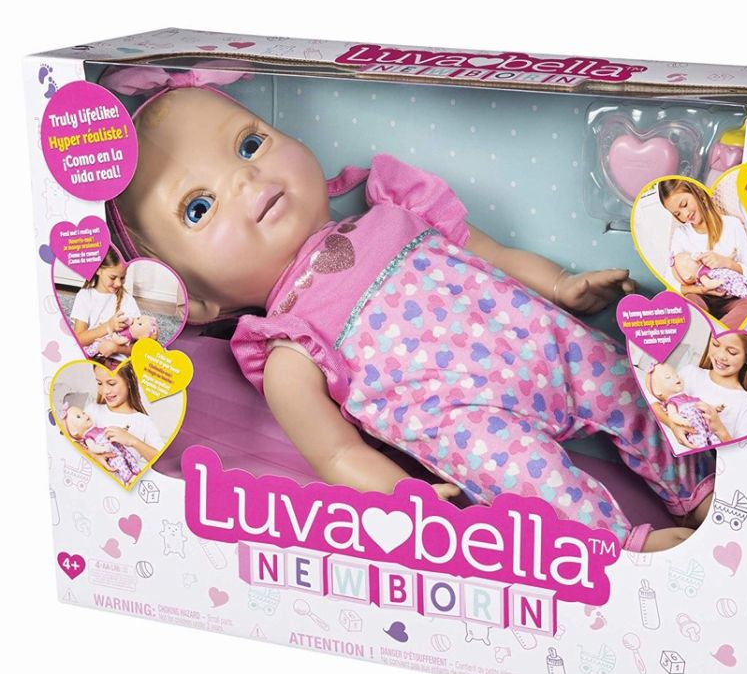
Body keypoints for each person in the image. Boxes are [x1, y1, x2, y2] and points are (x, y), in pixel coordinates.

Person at [104, 73, 716, 552]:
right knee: (528, 483)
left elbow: (492, 253)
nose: (244, 178)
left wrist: (560, 284)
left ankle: (698, 487)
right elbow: (336, 455)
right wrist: (402, 496)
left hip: (545, 343)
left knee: (627, 380)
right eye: (199, 208)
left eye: (249, 144)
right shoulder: (288, 347)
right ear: (197, 299)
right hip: (474, 425)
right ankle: (624, 549)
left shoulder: (393, 209)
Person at [659, 179, 747, 328]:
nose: (685, 214)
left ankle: (718, 334)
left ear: (697, 192)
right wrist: (700, 289)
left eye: (685, 204)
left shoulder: (732, 225)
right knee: (689, 303)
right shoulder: (681, 234)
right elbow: (670, 282)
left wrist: (727, 263)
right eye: (677, 213)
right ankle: (704, 331)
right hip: (701, 297)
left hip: (734, 297)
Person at [70, 249, 141, 359]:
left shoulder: (128, 300)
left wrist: (116, 348)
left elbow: (139, 347)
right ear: (98, 270)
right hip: (90, 357)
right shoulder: (85, 296)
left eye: (122, 278)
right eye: (112, 277)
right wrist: (108, 326)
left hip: (117, 361)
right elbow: (79, 339)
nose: (118, 283)